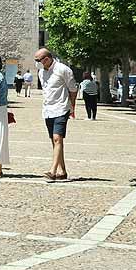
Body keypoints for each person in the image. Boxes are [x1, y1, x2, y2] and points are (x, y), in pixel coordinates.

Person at [35, 48, 78, 181]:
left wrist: (72, 106)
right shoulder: (41, 72)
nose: (37, 63)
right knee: (54, 141)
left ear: (46, 59)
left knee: (57, 138)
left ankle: (52, 171)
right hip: (48, 110)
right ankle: (62, 171)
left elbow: (73, 89)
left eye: (38, 60)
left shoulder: (63, 70)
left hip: (61, 108)